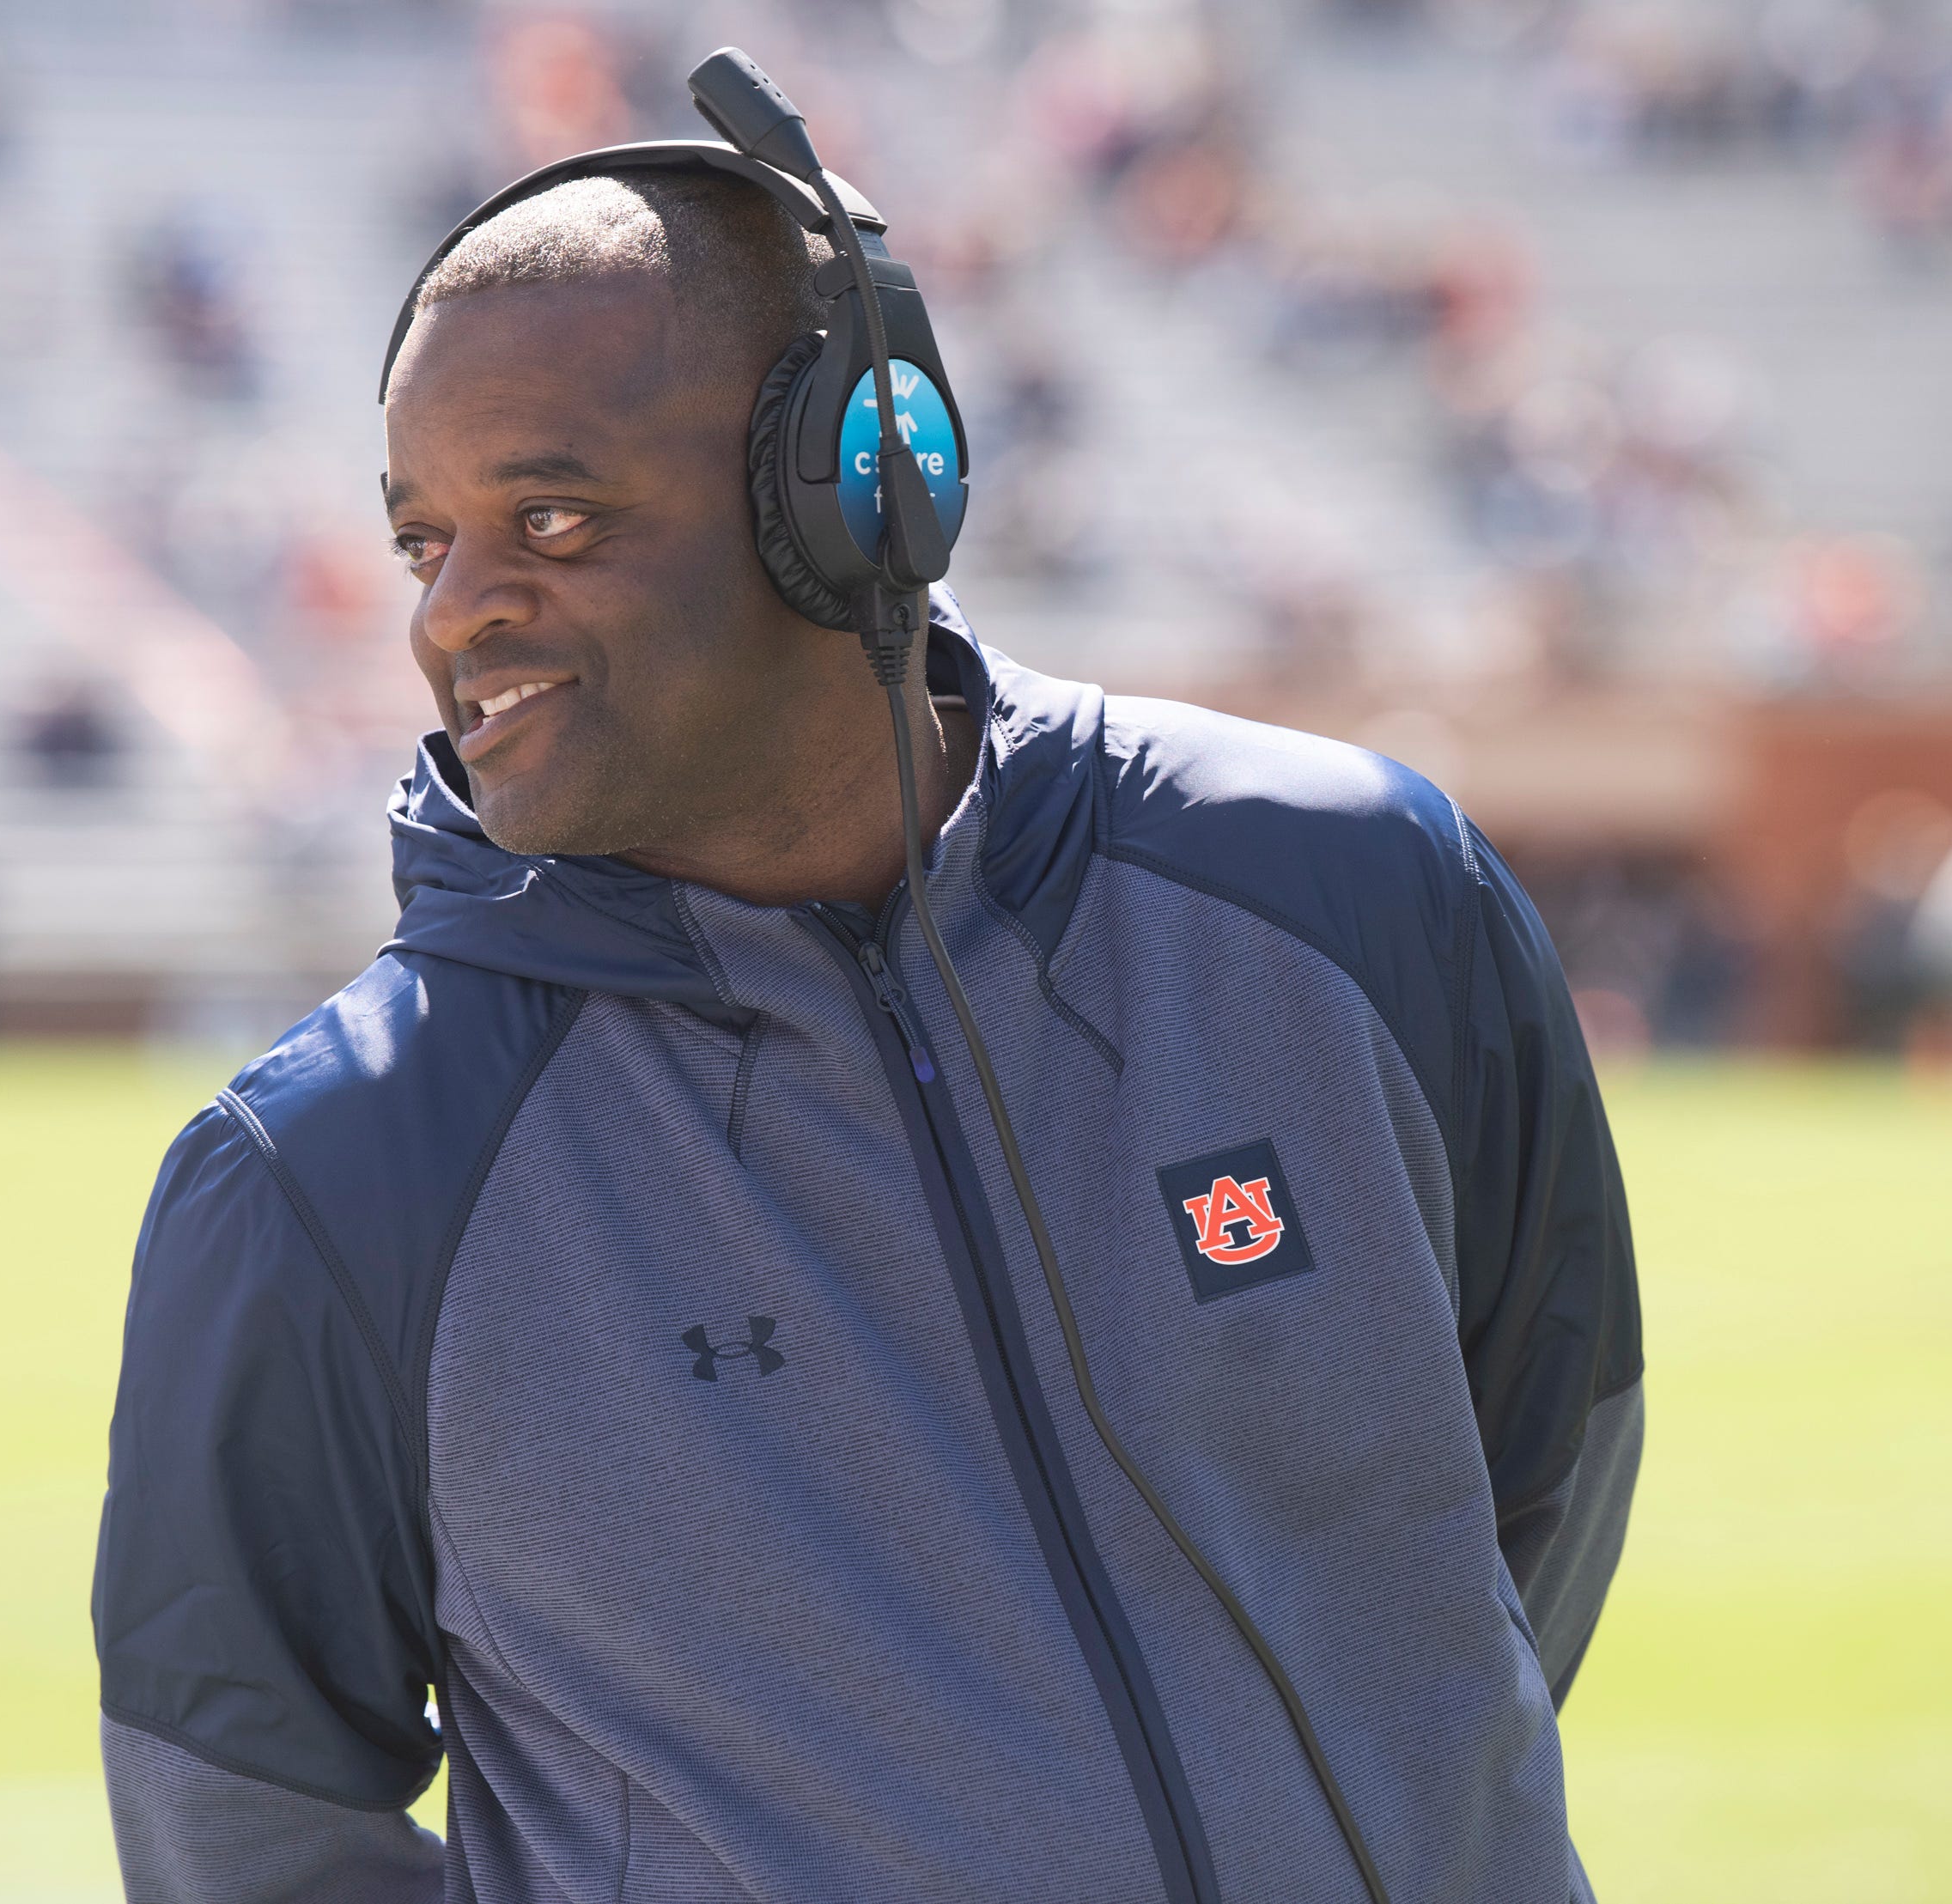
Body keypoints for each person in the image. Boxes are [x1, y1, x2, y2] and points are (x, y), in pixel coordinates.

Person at [91, 158, 1641, 1903]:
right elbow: (248, 1832)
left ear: (858, 495)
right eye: (422, 540)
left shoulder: (1361, 886)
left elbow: (1532, 1493)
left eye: (552, 518)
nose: (453, 612)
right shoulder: (322, 1176)